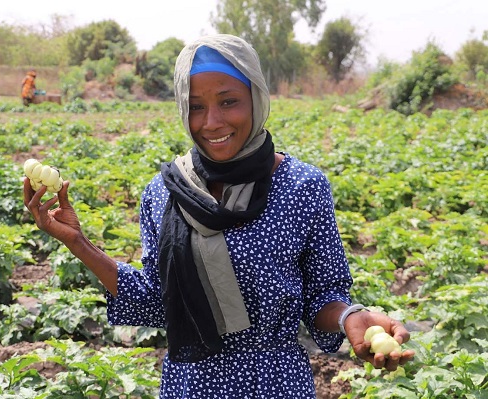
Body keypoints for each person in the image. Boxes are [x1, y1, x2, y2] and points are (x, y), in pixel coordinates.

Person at [23, 34, 415, 398]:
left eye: (228, 101)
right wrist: (78, 242)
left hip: (275, 382)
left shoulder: (301, 186)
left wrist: (350, 316)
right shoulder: (164, 193)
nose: (212, 122)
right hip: (191, 383)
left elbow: (322, 299)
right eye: (196, 106)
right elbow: (157, 303)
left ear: (255, 98)